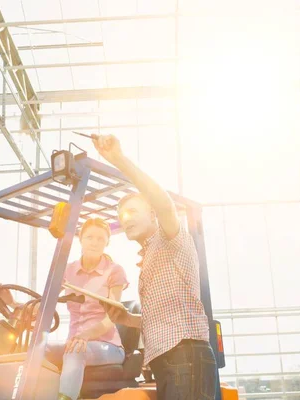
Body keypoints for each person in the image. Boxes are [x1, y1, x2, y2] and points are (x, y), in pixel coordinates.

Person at [93, 135, 217, 400]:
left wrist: (120, 161)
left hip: (185, 355)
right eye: (122, 217)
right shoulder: (149, 257)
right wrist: (126, 319)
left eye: (133, 212)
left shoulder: (171, 238)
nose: (126, 220)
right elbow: (164, 317)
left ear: (152, 214)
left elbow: (164, 204)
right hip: (168, 360)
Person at [0, 218, 129, 400]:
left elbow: (110, 319)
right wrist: (13, 304)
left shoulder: (114, 271)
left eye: (100, 239)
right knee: (37, 349)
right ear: (81, 239)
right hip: (74, 343)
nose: (95, 242)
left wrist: (85, 336)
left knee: (74, 350)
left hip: (108, 345)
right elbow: (45, 305)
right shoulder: (68, 270)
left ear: (107, 243)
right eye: (90, 237)